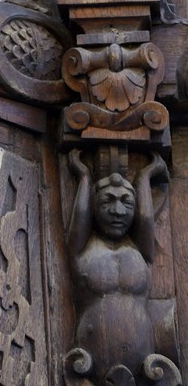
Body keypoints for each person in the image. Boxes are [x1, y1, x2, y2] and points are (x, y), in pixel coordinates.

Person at [67, 150, 170, 383]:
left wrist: (144, 177)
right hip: (90, 365)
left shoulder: (140, 250)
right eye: (106, 202)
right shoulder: (83, 251)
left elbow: (145, 218)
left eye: (127, 203)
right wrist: (84, 177)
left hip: (145, 369)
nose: (117, 212)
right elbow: (80, 216)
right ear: (93, 207)